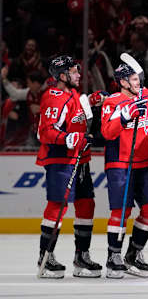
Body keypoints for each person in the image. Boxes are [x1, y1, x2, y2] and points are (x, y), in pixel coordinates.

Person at [101, 63, 148, 279]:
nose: (138, 82)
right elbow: (106, 132)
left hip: (143, 162)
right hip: (120, 163)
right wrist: (124, 116)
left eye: (138, 79)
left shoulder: (144, 95)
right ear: (123, 82)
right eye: (133, 79)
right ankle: (113, 257)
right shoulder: (112, 101)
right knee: (121, 211)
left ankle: (133, 254)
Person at [36, 55, 101, 278]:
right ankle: (45, 258)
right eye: (74, 71)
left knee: (86, 205)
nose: (79, 74)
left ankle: (81, 257)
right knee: (57, 207)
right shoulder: (53, 97)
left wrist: (92, 100)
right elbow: (44, 131)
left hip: (80, 159)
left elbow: (78, 110)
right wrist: (67, 139)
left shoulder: (72, 94)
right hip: (61, 159)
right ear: (62, 76)